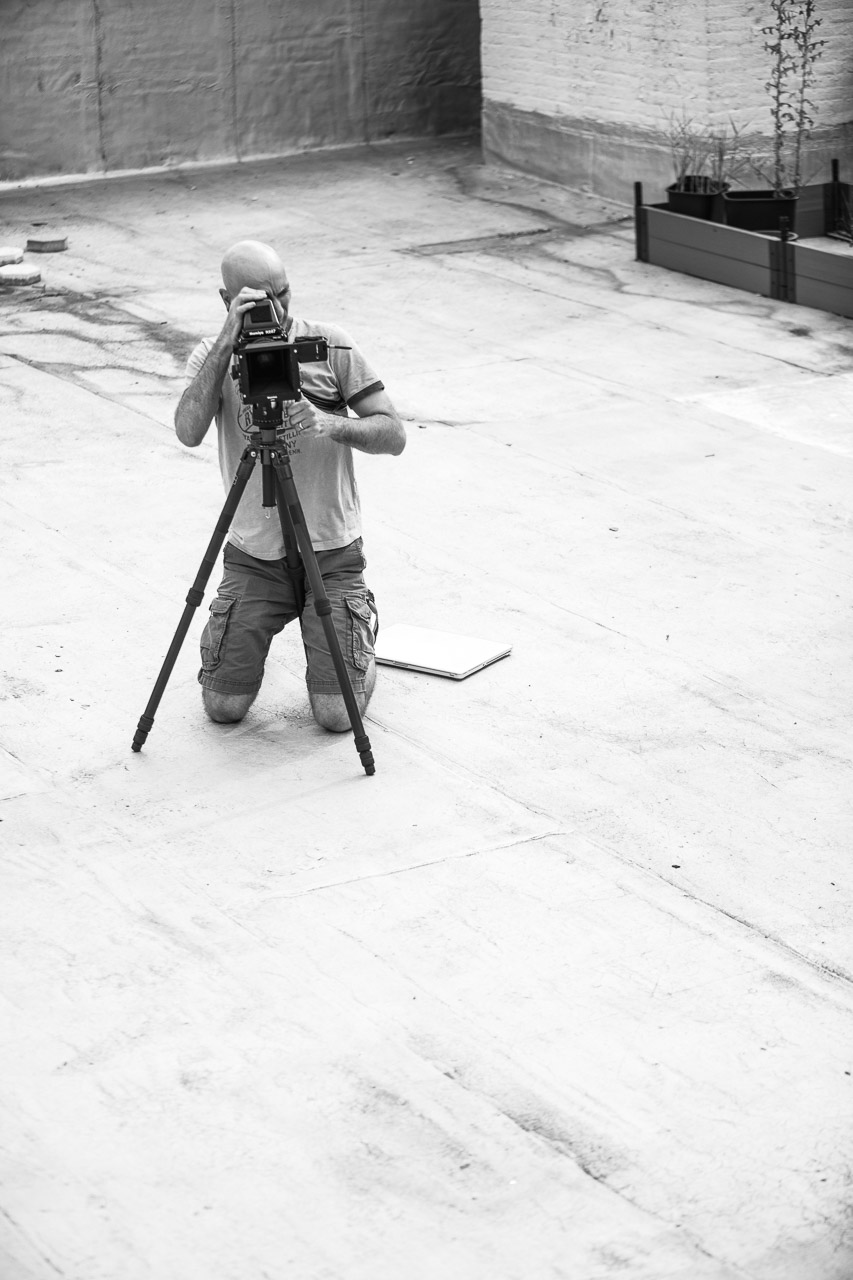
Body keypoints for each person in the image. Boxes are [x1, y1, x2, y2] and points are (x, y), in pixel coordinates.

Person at [175, 240, 406, 732]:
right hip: (255, 558)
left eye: (284, 294)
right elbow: (188, 432)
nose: (277, 310)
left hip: (331, 552)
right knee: (222, 707)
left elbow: (394, 435)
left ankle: (355, 642)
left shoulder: (329, 344)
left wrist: (332, 424)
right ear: (228, 299)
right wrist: (225, 340)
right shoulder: (213, 356)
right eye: (262, 300)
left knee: (336, 716)